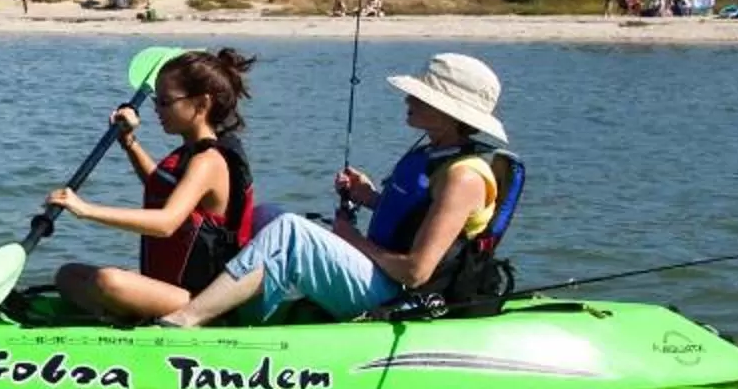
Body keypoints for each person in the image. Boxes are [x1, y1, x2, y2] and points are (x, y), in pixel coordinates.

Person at [159, 53, 514, 329]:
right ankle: (228, 305)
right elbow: (414, 216)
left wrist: (351, 238)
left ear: (449, 111)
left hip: (402, 295)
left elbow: (416, 271)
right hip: (381, 273)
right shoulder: (432, 153)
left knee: (290, 233)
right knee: (270, 215)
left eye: (420, 97)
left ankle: (188, 318)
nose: (408, 100)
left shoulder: (463, 177)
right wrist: (369, 196)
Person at [42, 48, 259, 322]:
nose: (156, 109)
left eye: (166, 102)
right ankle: (124, 312)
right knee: (67, 275)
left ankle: (126, 313)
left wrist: (85, 209)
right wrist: (129, 142)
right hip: (167, 285)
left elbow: (166, 222)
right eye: (156, 100)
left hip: (197, 296)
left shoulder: (209, 161)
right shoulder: (190, 151)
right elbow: (160, 186)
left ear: (202, 104)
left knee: (108, 281)